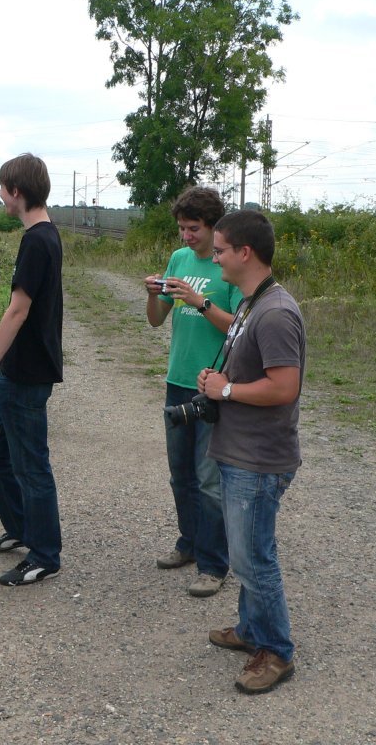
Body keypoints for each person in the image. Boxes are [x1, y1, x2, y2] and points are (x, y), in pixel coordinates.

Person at [197, 209, 306, 694]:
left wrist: (224, 392)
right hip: (238, 449)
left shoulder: (276, 312)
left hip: (259, 459)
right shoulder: (249, 303)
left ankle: (276, 651)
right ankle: (249, 630)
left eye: (220, 250)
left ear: (245, 253)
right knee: (245, 551)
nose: (214, 256)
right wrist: (217, 383)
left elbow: (284, 387)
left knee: (253, 556)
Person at [0, 153, 64, 587]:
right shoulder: (42, 235)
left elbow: (17, 310)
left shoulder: (37, 240)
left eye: (2, 189)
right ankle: (23, 527)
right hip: (20, 369)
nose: (0, 196)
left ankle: (44, 554)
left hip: (28, 370)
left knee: (30, 464)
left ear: (16, 192)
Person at [145, 186, 240, 597]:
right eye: (182, 228)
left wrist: (201, 302)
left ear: (213, 226)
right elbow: (155, 320)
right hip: (176, 380)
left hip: (211, 388)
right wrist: (154, 295)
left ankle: (214, 563)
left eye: (194, 229)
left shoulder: (227, 267)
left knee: (208, 480)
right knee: (179, 475)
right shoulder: (178, 259)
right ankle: (188, 543)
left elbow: (239, 327)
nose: (186, 236)